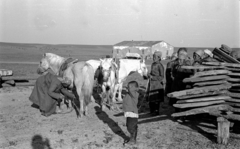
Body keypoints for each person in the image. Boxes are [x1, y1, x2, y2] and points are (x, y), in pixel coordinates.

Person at [123, 81, 139, 145]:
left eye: (130, 87)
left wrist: (130, 88)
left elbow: (132, 90)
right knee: (129, 126)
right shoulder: (129, 94)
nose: (128, 88)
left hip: (133, 113)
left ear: (135, 88)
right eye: (128, 86)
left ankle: (132, 140)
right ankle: (132, 138)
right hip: (129, 113)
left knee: (131, 127)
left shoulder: (134, 94)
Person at [148, 51, 164, 116]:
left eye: (155, 57)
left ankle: (156, 112)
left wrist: (152, 77)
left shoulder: (160, 66)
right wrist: (148, 75)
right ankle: (151, 111)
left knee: (156, 100)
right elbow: (151, 73)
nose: (153, 58)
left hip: (157, 85)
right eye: (153, 57)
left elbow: (161, 77)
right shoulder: (153, 64)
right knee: (151, 99)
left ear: (159, 57)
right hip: (152, 85)